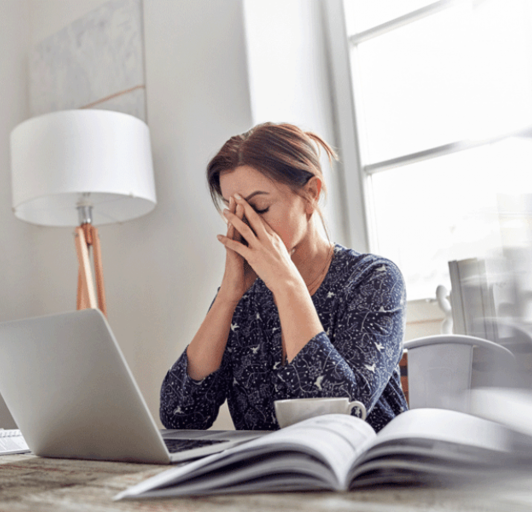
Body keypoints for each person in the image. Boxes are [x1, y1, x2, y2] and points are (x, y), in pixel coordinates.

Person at [160, 122, 407, 433]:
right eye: (233, 211)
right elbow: (180, 416)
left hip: (364, 473)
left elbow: (341, 414)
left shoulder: (374, 280)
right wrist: (227, 296)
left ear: (311, 195)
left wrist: (287, 284)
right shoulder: (243, 297)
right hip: (269, 476)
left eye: (259, 207)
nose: (245, 225)